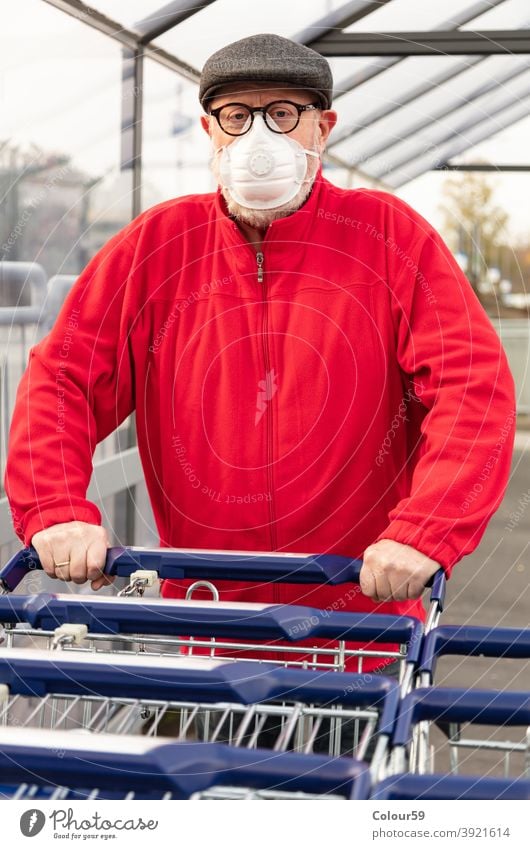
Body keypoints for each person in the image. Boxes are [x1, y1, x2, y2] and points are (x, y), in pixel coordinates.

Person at [4, 34, 516, 669]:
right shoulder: (157, 247)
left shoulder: (389, 237)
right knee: (191, 766)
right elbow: (65, 378)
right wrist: (57, 508)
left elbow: (474, 389)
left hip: (363, 628)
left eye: (282, 115)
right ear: (209, 131)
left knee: (351, 769)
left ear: (322, 129)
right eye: (237, 117)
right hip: (204, 620)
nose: (258, 139)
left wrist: (424, 532)